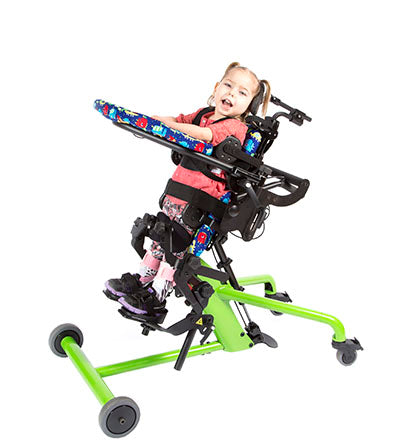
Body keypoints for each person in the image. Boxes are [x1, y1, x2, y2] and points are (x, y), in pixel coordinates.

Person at [104, 62, 271, 321]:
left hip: (200, 202)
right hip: (178, 193)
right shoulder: (204, 113)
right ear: (216, 88)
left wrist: (167, 126)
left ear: (249, 105)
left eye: (242, 92)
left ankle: (157, 297)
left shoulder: (235, 128)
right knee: (159, 237)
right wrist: (157, 121)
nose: (231, 93)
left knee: (176, 247)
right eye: (228, 85)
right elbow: (179, 121)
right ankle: (142, 280)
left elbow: (203, 135)